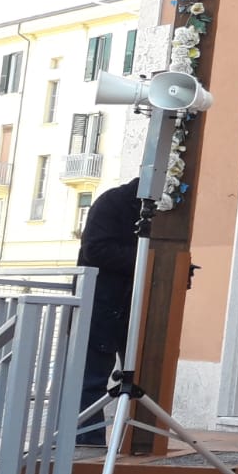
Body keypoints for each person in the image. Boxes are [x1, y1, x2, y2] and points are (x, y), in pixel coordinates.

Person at [76, 177, 142, 446]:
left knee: (143, 375)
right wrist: (146, 257)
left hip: (135, 306)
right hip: (100, 303)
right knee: (91, 379)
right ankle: (85, 443)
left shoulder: (164, 213)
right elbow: (95, 249)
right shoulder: (111, 203)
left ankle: (134, 443)